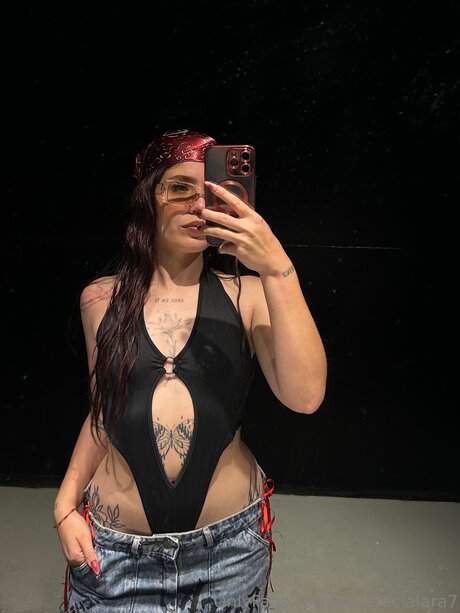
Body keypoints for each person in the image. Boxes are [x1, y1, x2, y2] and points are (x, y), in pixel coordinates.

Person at [53, 128, 327, 613]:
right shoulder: (100, 300)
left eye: (212, 192)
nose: (199, 205)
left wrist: (276, 267)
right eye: (180, 188)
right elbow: (103, 413)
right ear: (148, 199)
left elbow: (305, 396)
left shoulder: (248, 295)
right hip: (116, 554)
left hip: (229, 553)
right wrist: (64, 505)